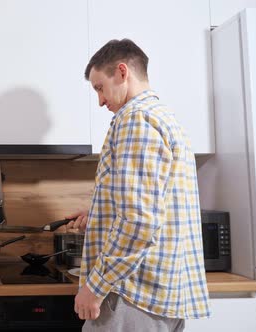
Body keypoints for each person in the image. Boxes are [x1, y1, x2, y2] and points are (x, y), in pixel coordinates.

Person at [66, 39, 211, 331]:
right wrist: (98, 216)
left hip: (131, 295)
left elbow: (139, 222)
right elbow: (154, 210)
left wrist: (94, 287)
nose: (100, 100)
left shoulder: (136, 121)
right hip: (157, 295)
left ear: (122, 72)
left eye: (99, 87)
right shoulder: (164, 118)